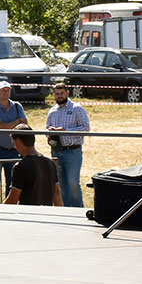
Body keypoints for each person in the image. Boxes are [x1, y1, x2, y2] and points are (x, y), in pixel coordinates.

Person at [43, 80, 90, 208]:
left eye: (62, 93)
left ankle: (78, 210)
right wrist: (50, 132)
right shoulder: (52, 111)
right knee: (61, 184)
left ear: (67, 93)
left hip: (73, 151)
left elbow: (86, 128)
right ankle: (66, 209)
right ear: (54, 95)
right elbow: (46, 128)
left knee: (73, 183)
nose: (59, 96)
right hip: (57, 151)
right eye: (57, 94)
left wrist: (65, 131)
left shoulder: (77, 109)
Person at [0, 81, 28, 204]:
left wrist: (11, 124)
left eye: (8, 90)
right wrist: (16, 122)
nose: (6, 92)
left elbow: (25, 123)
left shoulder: (17, 106)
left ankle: (10, 205)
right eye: (3, 90)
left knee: (12, 182)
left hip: (14, 150)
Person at [3, 132, 58, 206]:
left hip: (28, 211)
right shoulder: (50, 163)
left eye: (14, 143)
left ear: (19, 141)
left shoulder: (20, 166)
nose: (15, 147)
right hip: (46, 212)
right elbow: (57, 194)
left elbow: (13, 199)